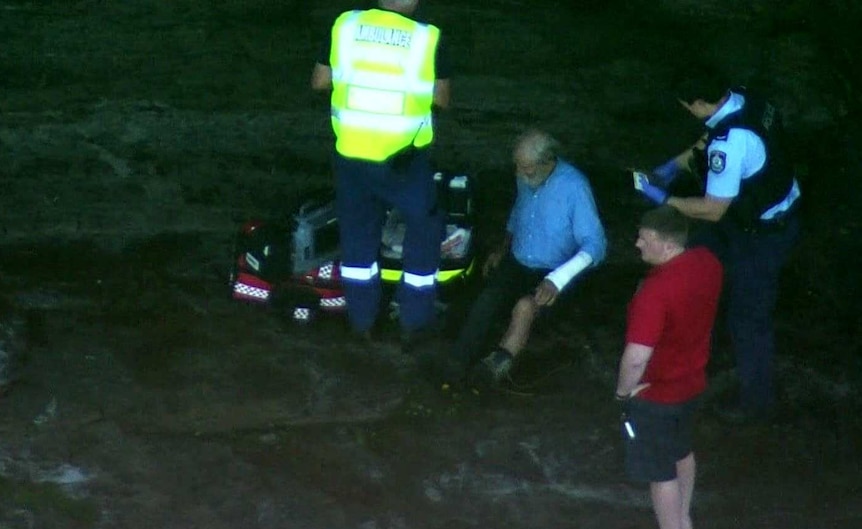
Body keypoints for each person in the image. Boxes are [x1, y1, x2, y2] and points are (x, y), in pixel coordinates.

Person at [633, 82, 801, 421]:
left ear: (697, 103)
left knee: (748, 318)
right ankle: (677, 341)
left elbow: (712, 209)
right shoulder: (748, 99)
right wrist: (671, 167)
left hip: (761, 234)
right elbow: (706, 140)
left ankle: (757, 404)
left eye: (686, 105)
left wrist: (665, 199)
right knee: (691, 261)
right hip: (756, 213)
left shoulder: (731, 142)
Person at [310, 0, 452, 345]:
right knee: (424, 228)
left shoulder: (344, 25)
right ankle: (414, 322)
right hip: (404, 163)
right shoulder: (428, 38)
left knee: (357, 236)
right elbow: (442, 100)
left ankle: (362, 322)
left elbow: (319, 81)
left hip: (352, 157)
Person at [448, 129, 607, 384]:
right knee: (487, 298)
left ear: (548, 162)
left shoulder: (575, 187)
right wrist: (503, 247)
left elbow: (596, 246)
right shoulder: (527, 176)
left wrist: (558, 278)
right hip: (518, 260)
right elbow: (519, 213)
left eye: (526, 168)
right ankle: (457, 361)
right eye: (518, 166)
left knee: (525, 307)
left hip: (554, 269)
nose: (520, 174)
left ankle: (495, 366)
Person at [615, 205, 723, 529]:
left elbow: (635, 357)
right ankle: (683, 519)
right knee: (682, 451)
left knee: (661, 472)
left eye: (644, 239)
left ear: (663, 244)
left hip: (657, 395)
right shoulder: (708, 263)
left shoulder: (655, 292)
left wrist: (623, 391)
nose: (637, 244)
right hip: (692, 383)